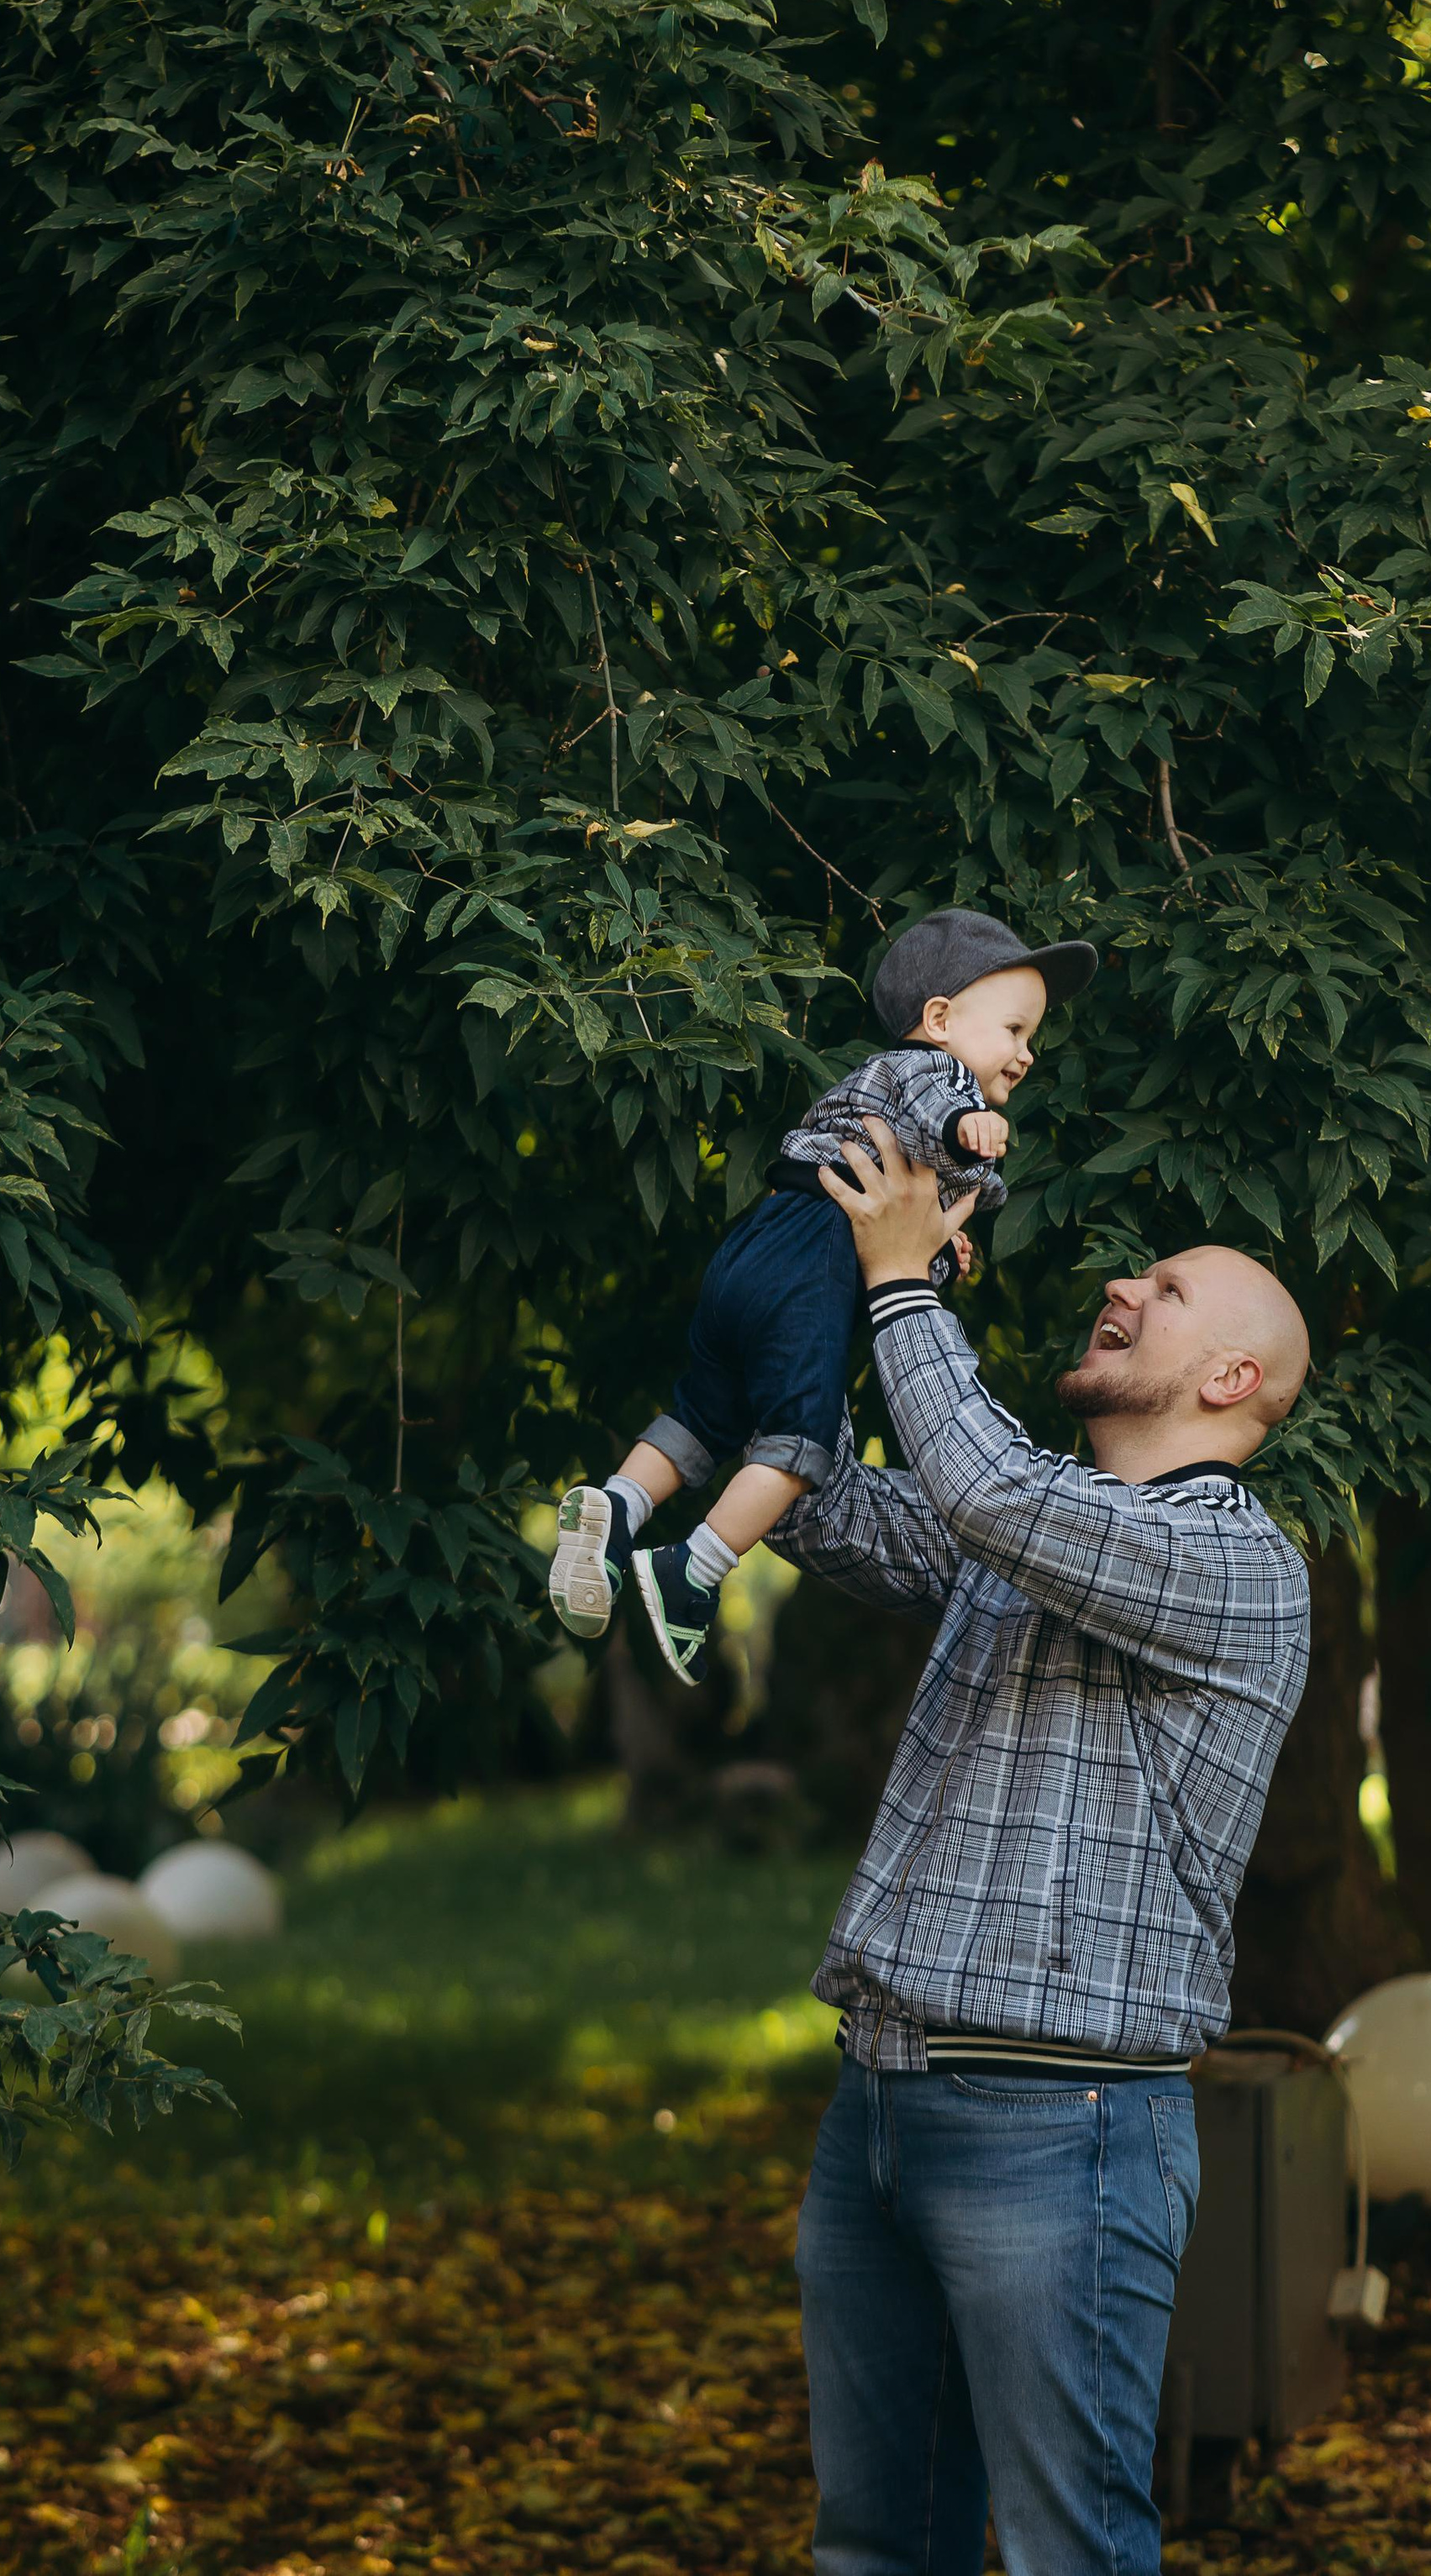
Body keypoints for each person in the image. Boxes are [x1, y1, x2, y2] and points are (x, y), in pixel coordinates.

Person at [781, 1119, 1313, 2576]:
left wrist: (906, 1293)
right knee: (879, 2545)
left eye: (1172, 1287)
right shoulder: (1027, 1536)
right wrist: (810, 1282)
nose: (1125, 1287)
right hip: (877, 2105)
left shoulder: (1234, 1565)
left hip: (1062, 2133)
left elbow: (988, 1489)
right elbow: (818, 1497)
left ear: (1228, 1382)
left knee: (1068, 2552)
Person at [546, 907, 1096, 1680]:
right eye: (1015, 1030)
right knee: (800, 1442)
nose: (1027, 1054)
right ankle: (695, 1569)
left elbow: (897, 1207)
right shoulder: (938, 1075)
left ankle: (618, 1509)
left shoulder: (870, 1084)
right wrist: (974, 1127)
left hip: (759, 1244)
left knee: (706, 1413)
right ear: (939, 1019)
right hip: (813, 1263)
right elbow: (939, 1119)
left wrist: (941, 1247)